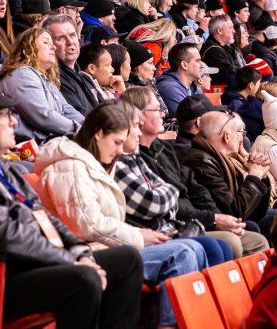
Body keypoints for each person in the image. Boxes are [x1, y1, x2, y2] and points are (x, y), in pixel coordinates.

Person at [0, 87, 143, 328]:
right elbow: (4, 237)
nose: (14, 122)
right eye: (5, 116)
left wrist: (79, 251)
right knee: (84, 278)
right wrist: (69, 261)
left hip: (32, 263)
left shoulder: (3, 168)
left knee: (128, 259)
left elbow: (45, 216)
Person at [35, 103, 207, 328]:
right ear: (98, 134)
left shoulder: (94, 163)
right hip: (89, 254)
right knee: (182, 253)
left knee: (197, 247)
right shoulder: (70, 168)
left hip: (108, 247)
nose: (119, 150)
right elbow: (87, 224)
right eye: (116, 142)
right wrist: (137, 236)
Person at [115, 88, 235, 267]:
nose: (163, 114)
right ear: (138, 118)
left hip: (187, 221)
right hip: (166, 228)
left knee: (232, 240)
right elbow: (161, 202)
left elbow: (193, 188)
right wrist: (212, 219)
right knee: (222, 244)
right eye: (156, 110)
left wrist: (215, 216)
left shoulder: (164, 149)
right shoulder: (128, 158)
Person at [184, 109, 274, 225]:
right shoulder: (202, 163)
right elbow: (234, 212)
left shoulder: (220, 159)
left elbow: (256, 212)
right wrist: (255, 176)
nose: (240, 138)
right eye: (237, 132)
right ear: (226, 137)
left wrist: (261, 175)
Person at [0, 27, 84, 143]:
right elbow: (43, 115)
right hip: (28, 148)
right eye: (46, 42)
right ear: (28, 48)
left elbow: (66, 109)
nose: (54, 47)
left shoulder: (46, 79)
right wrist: (80, 130)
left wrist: (89, 126)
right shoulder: (23, 74)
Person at [45, 14, 105, 114]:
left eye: (72, 35)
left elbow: (106, 111)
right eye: (61, 38)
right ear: (50, 45)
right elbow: (80, 117)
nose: (70, 42)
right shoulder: (56, 80)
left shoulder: (85, 77)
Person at [156, 42, 203, 116]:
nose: (202, 65)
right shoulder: (169, 88)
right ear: (184, 65)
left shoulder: (193, 87)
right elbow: (189, 120)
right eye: (197, 61)